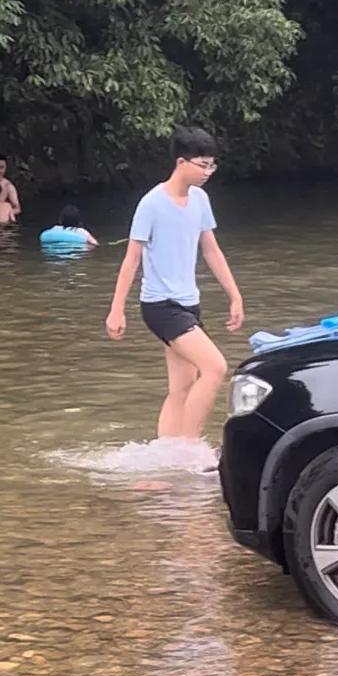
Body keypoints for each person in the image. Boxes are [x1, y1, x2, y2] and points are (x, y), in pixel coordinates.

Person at [104, 127, 243, 443]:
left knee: (182, 386)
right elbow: (131, 259)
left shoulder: (200, 199)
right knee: (215, 368)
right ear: (182, 162)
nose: (208, 172)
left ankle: (166, 452)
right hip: (160, 306)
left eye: (212, 165)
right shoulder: (151, 204)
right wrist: (116, 310)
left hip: (188, 303)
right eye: (202, 165)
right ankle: (190, 446)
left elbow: (211, 250)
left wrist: (235, 295)